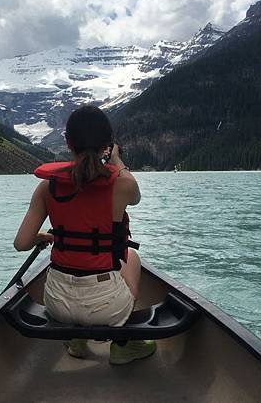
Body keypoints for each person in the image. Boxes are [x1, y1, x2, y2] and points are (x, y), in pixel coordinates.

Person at [13, 105, 156, 365]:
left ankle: (75, 340)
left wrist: (41, 236)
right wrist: (117, 160)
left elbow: (21, 243)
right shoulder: (123, 185)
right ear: (107, 145)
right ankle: (123, 345)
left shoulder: (48, 186)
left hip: (57, 305)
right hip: (107, 308)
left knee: (65, 276)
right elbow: (135, 196)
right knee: (131, 256)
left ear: (68, 142)